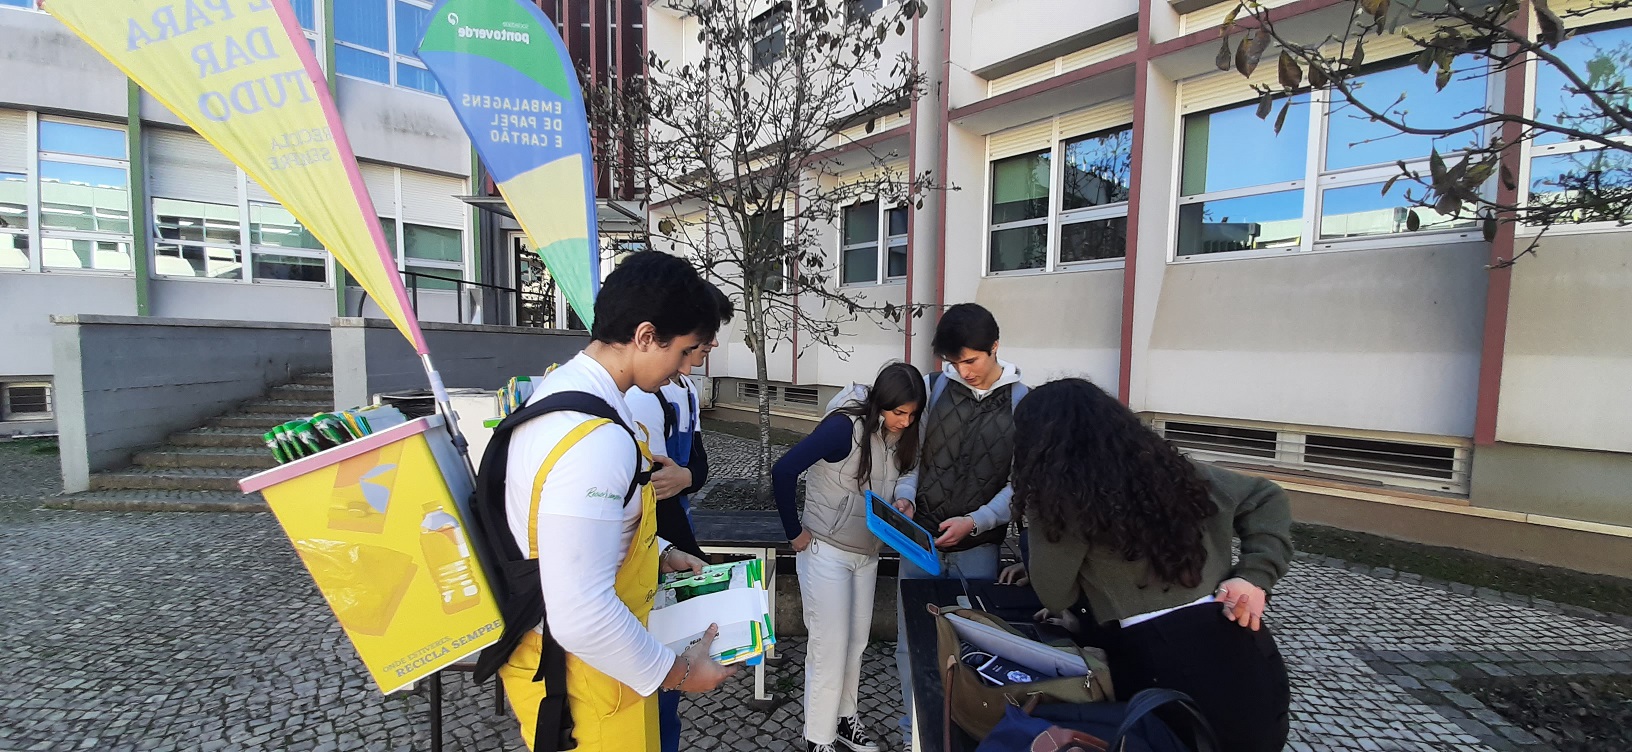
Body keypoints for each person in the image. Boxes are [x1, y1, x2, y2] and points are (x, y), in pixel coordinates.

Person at [499, 251, 738, 752]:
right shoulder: (593, 437)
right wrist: (676, 672)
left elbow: (586, 531)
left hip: (593, 669)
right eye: (686, 350)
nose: (683, 369)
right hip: (588, 684)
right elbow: (581, 611)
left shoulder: (568, 396)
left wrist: (662, 550)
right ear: (646, 336)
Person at [1012, 378, 1293, 752]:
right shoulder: (1173, 471)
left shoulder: (1063, 504)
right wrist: (1255, 577)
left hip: (1162, 664)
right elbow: (1266, 496)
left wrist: (1255, 576)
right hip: (1243, 644)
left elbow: (1054, 592)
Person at [891, 302, 1027, 742]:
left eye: (970, 360)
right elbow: (911, 461)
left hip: (978, 551)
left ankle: (964, 735)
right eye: (954, 362)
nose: (963, 371)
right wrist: (905, 498)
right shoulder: (933, 390)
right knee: (912, 645)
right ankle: (915, 732)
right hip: (921, 545)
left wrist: (976, 521)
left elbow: (1019, 485)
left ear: (994, 348)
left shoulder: (1024, 403)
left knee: (974, 651)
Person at [773, 362, 926, 752]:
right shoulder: (844, 427)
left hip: (867, 553)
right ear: (880, 403)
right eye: (899, 412)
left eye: (913, 413)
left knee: (856, 644)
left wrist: (905, 496)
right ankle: (817, 738)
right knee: (829, 646)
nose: (906, 421)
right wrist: (795, 532)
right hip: (826, 552)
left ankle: (843, 720)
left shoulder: (901, 433)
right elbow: (784, 469)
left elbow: (908, 469)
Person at [625, 284, 735, 752]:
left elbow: (699, 467)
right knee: (652, 693)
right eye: (695, 348)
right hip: (650, 555)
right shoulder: (633, 398)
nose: (697, 360)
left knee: (666, 703)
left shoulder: (684, 389)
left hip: (667, 547)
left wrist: (687, 477)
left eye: (706, 347)